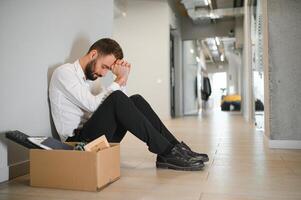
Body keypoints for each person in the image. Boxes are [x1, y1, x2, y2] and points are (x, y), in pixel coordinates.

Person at [49, 38, 209, 171]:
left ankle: (173, 148)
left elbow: (124, 107)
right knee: (116, 97)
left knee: (136, 100)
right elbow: (94, 105)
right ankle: (168, 152)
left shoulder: (93, 81)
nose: (104, 73)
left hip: (98, 138)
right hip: (77, 143)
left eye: (108, 70)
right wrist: (118, 80)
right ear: (93, 54)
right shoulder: (64, 73)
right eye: (104, 67)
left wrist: (123, 80)